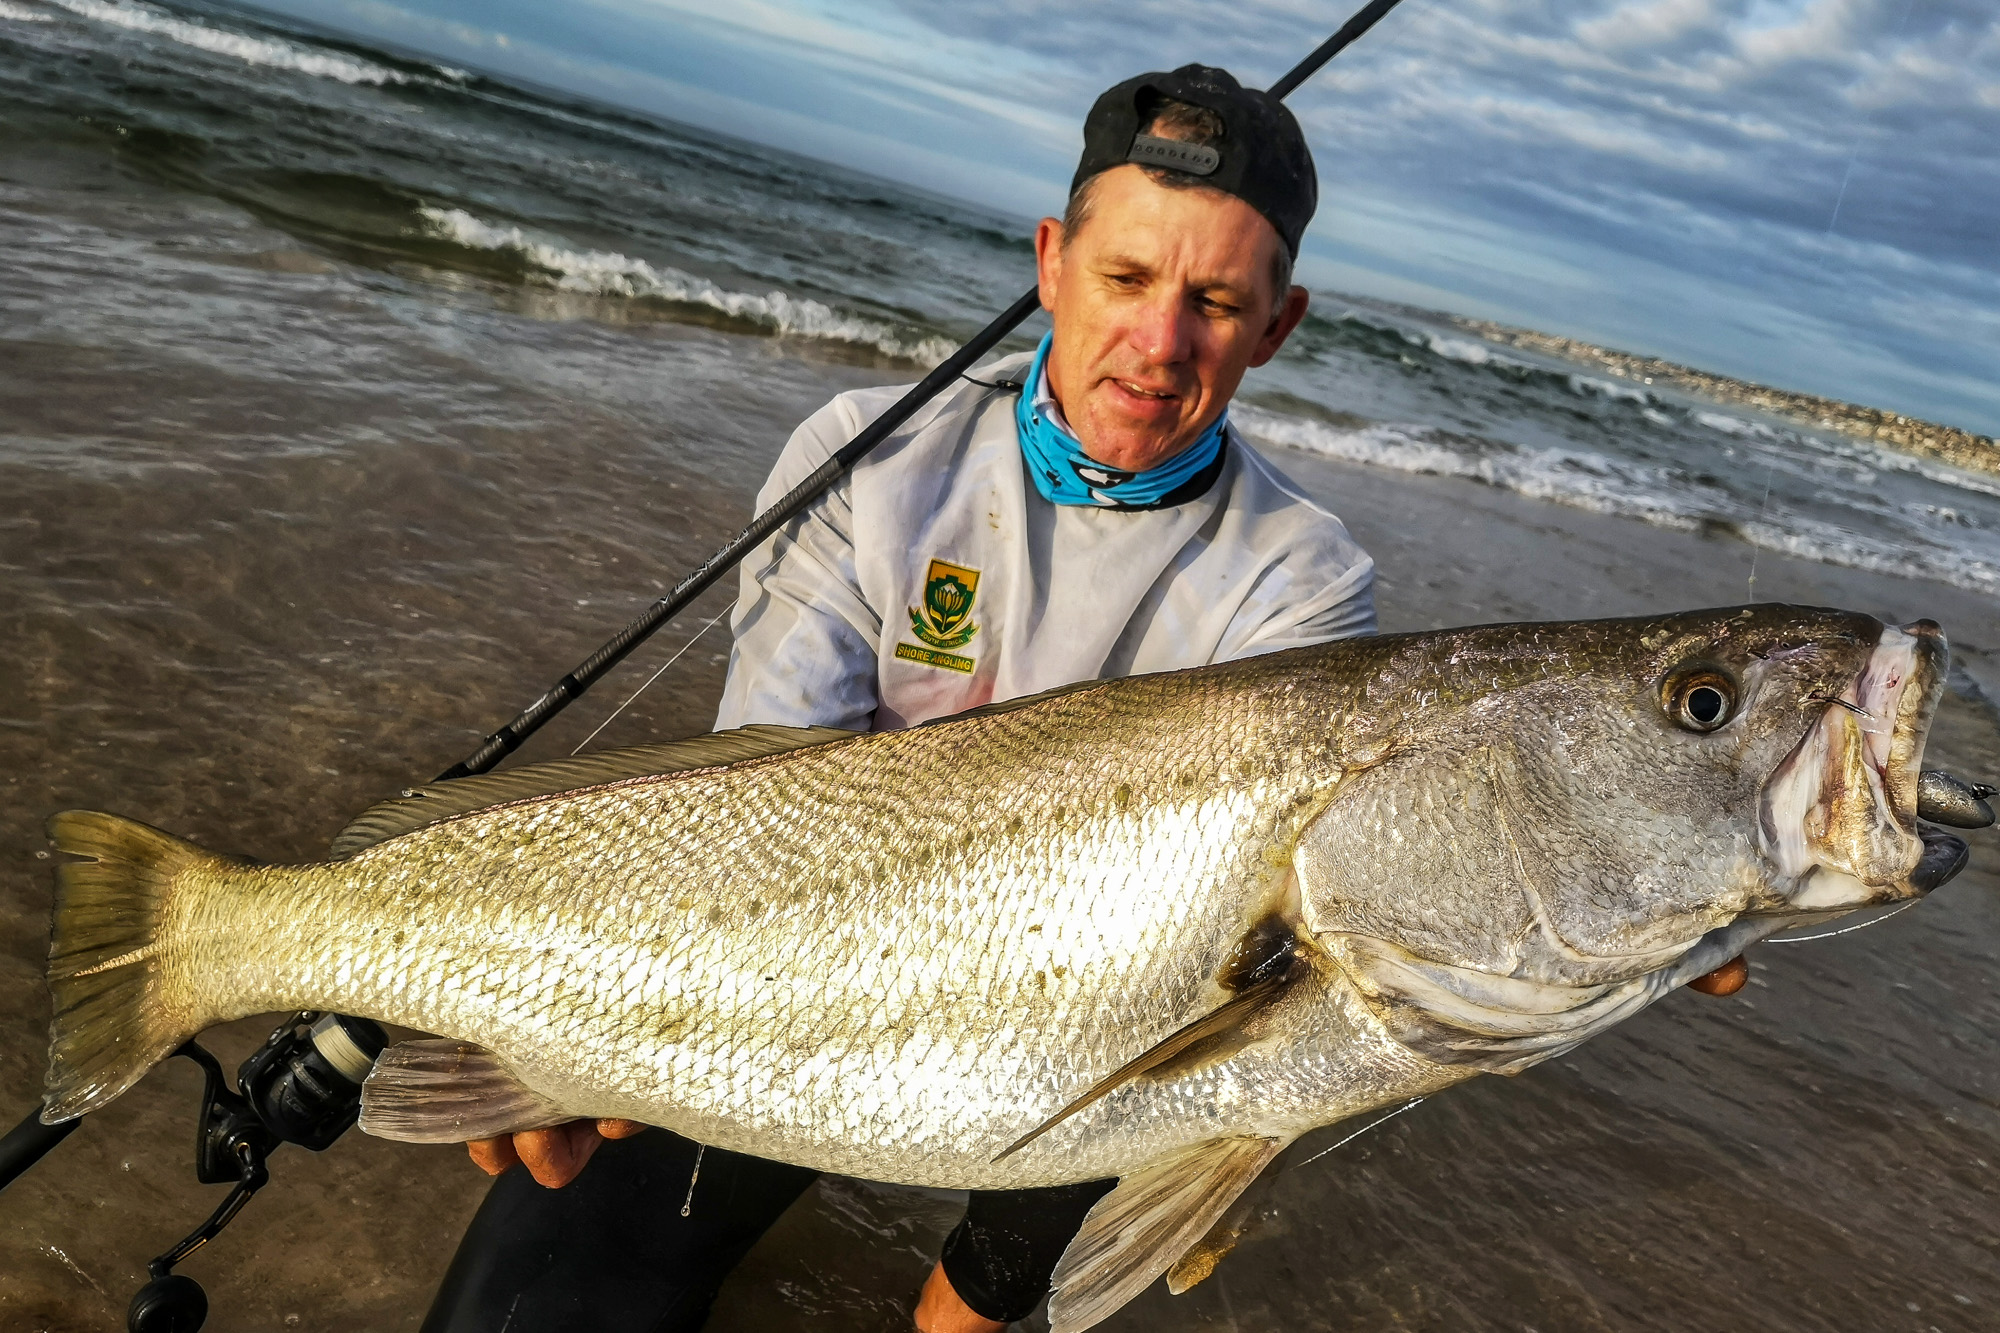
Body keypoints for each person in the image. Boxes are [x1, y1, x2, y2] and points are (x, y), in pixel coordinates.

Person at [422, 63, 1375, 1333]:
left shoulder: (1302, 584)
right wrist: (575, 1026)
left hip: (1085, 1045)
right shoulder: (865, 458)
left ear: (1275, 325)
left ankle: (960, 1303)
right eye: (1127, 278)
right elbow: (761, 801)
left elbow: (1244, 951)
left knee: (1176, 1013)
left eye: (1213, 300)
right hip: (780, 983)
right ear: (1051, 261)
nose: (1159, 343)